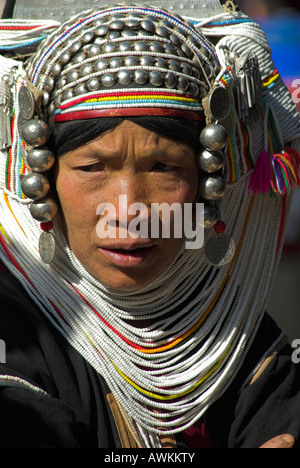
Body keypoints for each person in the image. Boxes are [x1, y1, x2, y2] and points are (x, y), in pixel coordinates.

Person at [0, 0, 300, 449]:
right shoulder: (16, 337)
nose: (129, 209)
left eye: (163, 167)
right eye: (93, 167)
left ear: (206, 183)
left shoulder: (243, 341)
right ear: (44, 182)